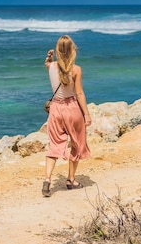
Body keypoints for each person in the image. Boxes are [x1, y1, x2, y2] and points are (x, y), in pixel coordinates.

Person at [42, 35, 92, 197]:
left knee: (54, 145)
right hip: (72, 109)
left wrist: (49, 58)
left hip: (56, 109)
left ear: (57, 51)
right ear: (73, 50)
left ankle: (47, 180)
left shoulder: (51, 67)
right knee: (77, 143)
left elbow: (48, 63)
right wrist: (87, 114)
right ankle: (70, 179)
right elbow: (79, 93)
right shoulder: (76, 70)